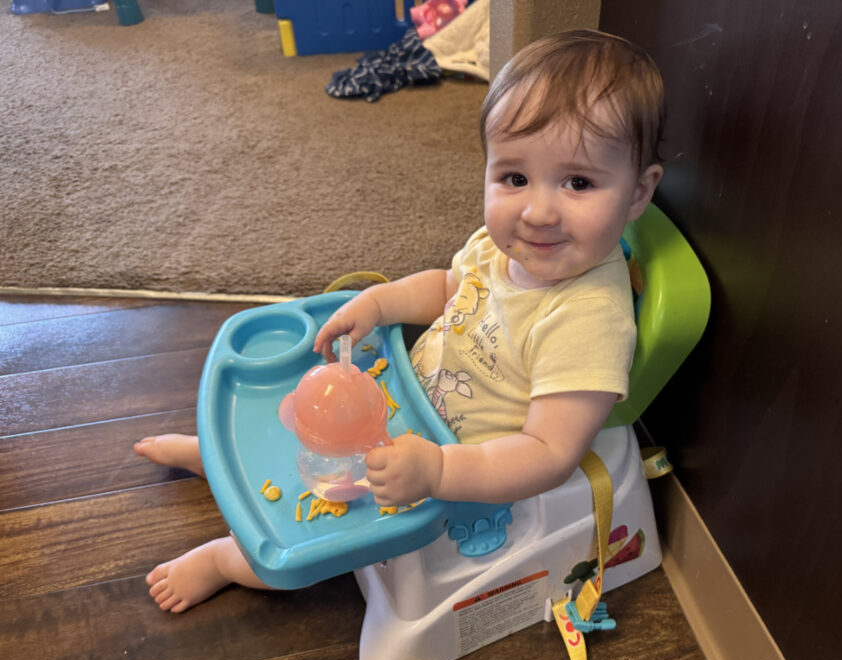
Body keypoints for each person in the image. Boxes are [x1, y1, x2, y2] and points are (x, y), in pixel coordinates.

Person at [136, 28, 665, 613]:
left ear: (639, 192)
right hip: (406, 404)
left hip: (458, 471)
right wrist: (378, 305)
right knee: (314, 398)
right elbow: (447, 287)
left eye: (579, 182)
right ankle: (220, 460)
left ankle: (227, 560)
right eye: (514, 178)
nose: (537, 211)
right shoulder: (503, 248)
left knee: (322, 535)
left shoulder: (588, 318)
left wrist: (438, 470)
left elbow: (547, 452)